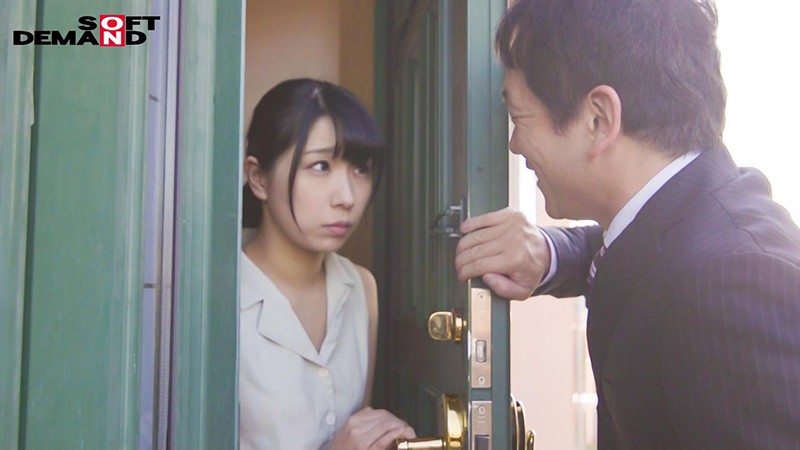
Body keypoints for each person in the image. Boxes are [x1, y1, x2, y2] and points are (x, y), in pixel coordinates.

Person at [454, 1, 800, 448]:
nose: (515, 144)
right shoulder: (692, 218)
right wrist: (549, 254)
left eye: (520, 119)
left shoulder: (730, 285)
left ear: (599, 120)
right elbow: (640, 251)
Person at [239, 78, 416, 450]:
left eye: (360, 169)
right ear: (258, 178)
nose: (347, 197)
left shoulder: (361, 287)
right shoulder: (219, 293)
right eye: (320, 166)